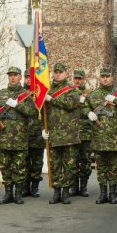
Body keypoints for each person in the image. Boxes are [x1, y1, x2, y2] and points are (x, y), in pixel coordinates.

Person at [0, 66, 37, 205]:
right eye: (10, 75)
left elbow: (33, 113)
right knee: (5, 167)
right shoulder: (0, 94)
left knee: (20, 167)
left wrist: (17, 105)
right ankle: (8, 193)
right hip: (3, 138)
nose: (13, 77)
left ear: (20, 77)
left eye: (15, 75)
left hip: (20, 138)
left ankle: (18, 194)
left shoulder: (26, 95)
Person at [84, 68, 117, 204]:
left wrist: (116, 100)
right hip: (99, 139)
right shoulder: (93, 95)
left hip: (114, 139)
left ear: (112, 78)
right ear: (100, 78)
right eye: (103, 76)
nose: (105, 79)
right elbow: (84, 107)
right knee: (101, 169)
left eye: (108, 76)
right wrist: (88, 113)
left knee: (114, 168)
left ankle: (112, 194)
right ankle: (102, 194)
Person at [42, 63, 81, 205]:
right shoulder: (47, 89)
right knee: (55, 165)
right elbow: (42, 111)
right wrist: (43, 128)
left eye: (60, 72)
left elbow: (70, 104)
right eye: (56, 72)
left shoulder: (72, 90)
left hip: (69, 135)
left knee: (69, 165)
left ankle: (65, 192)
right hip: (54, 135)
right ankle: (56, 191)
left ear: (66, 74)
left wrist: (52, 99)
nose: (58, 74)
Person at [69, 69, 93, 198]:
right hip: (72, 133)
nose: (77, 81)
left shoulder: (89, 94)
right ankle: (74, 187)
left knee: (85, 161)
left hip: (86, 133)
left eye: (80, 78)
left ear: (84, 79)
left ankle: (83, 187)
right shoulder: (70, 92)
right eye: (75, 78)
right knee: (73, 161)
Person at [23, 69, 45, 198]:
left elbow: (45, 113)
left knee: (37, 163)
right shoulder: (19, 93)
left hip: (37, 134)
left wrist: (44, 129)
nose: (28, 80)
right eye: (26, 77)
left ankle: (35, 187)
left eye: (30, 78)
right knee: (24, 162)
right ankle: (25, 187)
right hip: (23, 134)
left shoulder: (39, 93)